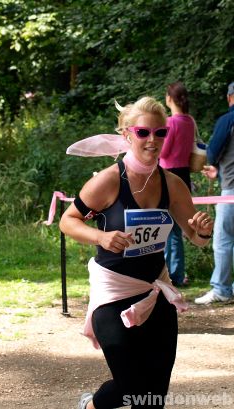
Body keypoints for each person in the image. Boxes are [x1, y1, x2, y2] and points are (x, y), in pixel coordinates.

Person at [60, 96, 214, 409]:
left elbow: (196, 238)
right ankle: (92, 405)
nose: (153, 140)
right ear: (128, 134)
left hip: (155, 293)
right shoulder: (109, 180)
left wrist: (203, 231)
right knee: (131, 386)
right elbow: (68, 221)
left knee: (153, 398)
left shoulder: (172, 184)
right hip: (113, 297)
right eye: (144, 133)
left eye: (161, 133)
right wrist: (101, 237)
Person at [195, 82, 234, 305]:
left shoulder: (228, 120)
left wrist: (214, 164)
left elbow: (211, 153)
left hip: (230, 190)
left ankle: (221, 289)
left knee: (222, 239)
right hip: (227, 182)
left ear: (230, 98)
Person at [160, 81, 195, 286]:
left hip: (168, 173)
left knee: (168, 228)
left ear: (169, 99)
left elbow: (163, 152)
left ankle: (173, 275)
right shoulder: (189, 121)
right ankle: (178, 272)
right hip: (184, 174)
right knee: (179, 227)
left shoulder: (171, 122)